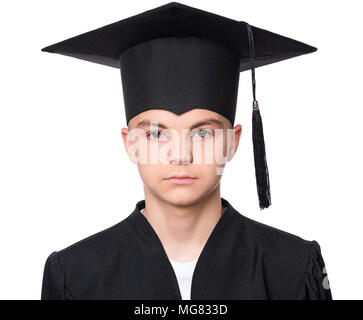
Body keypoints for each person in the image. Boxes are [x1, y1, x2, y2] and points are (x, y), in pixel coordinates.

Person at [40, 2, 332, 300]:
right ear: (130, 144)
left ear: (232, 142)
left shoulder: (293, 269)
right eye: (156, 133)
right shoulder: (76, 276)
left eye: (203, 132)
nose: (180, 155)